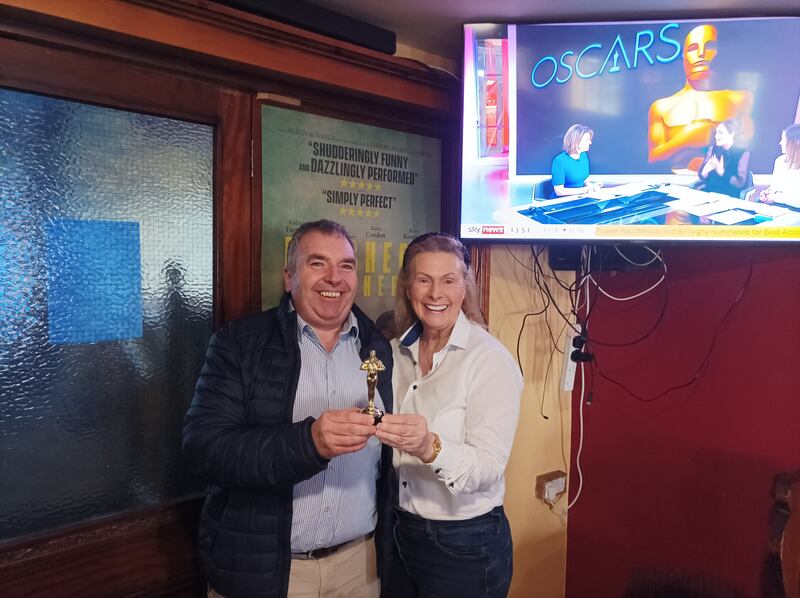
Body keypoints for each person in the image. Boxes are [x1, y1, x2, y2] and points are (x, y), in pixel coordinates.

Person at [183, 219, 394, 598]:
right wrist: (308, 443)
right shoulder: (238, 344)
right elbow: (204, 449)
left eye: (346, 266)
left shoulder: (378, 348)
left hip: (359, 568)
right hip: (267, 572)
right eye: (317, 263)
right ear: (288, 276)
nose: (335, 278)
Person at [375, 232, 523, 598]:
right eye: (424, 280)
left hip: (465, 545)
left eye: (448, 281)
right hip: (398, 532)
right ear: (408, 288)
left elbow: (488, 467)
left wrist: (430, 446)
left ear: (465, 287)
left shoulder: (489, 360)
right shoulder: (392, 353)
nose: (435, 293)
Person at [648, 24, 753, 172]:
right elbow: (653, 160)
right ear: (684, 56)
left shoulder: (740, 100)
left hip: (721, 185)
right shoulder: (662, 107)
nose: (701, 53)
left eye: (709, 46)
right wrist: (687, 138)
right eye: (692, 48)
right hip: (674, 186)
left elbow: (746, 154)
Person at [695, 119, 751, 198]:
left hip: (729, 196)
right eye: (716, 133)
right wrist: (705, 171)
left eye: (720, 133)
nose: (716, 136)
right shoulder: (712, 149)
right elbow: (701, 175)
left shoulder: (743, 153)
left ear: (731, 134)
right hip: (709, 194)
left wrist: (722, 172)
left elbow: (739, 183)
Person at [550, 123, 602, 197]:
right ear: (576, 142)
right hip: (562, 202)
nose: (590, 142)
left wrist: (592, 186)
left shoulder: (583, 155)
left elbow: (585, 178)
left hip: (580, 197)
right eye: (587, 140)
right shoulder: (559, 161)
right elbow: (559, 191)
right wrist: (586, 190)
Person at [757, 123, 800, 205]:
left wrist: (776, 198)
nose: (780, 143)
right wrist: (767, 193)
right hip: (776, 207)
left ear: (797, 142)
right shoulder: (780, 161)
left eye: (784, 140)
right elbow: (775, 187)